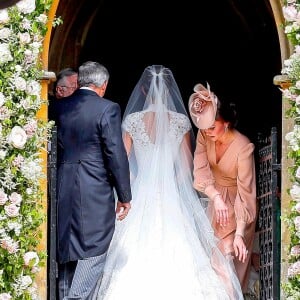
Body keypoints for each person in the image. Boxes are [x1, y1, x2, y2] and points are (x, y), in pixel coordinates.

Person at [94, 65, 243, 300]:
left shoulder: (133, 121)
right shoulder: (180, 122)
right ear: (169, 91)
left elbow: (122, 165)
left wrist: (132, 187)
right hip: (171, 196)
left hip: (140, 193)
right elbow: (185, 168)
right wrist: (173, 186)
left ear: (144, 91)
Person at [55, 61, 132, 299]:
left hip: (62, 185)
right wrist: (124, 196)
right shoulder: (107, 109)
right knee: (97, 244)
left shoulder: (60, 107)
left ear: (80, 81)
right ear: (103, 85)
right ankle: (75, 297)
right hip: (94, 188)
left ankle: (65, 293)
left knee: (66, 246)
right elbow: (115, 154)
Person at [188, 83, 257, 294]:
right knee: (209, 266)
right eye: (204, 128)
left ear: (226, 122)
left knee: (226, 261)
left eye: (212, 127)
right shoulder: (203, 135)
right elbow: (199, 171)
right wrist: (215, 196)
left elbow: (246, 193)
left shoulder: (243, 146)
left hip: (237, 210)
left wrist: (239, 233)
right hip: (214, 205)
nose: (207, 132)